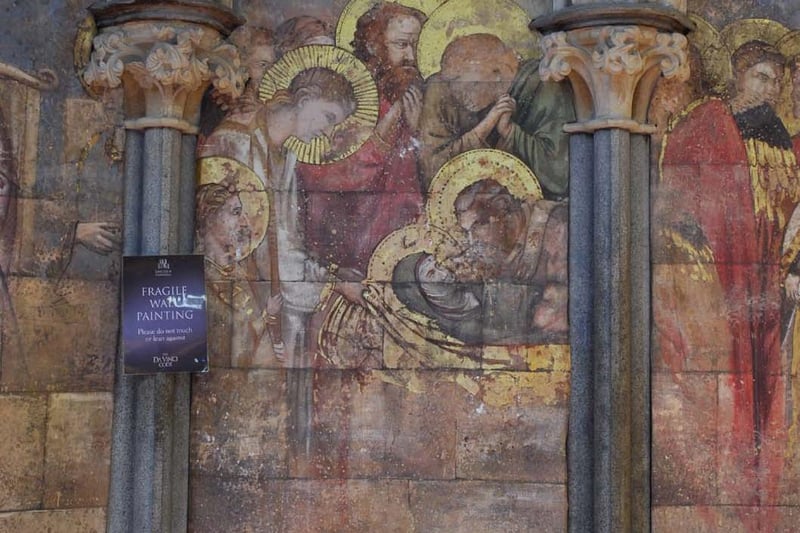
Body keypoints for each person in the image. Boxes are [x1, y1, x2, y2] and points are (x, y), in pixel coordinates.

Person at [659, 39, 800, 506]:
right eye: (761, 77)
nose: (770, 88)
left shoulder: (780, 135)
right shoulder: (707, 122)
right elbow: (676, 191)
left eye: (776, 81)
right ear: (739, 75)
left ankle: (758, 481)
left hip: (769, 275)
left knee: (767, 378)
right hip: (719, 272)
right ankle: (724, 481)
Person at [296, 2, 426, 273]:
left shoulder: (417, 100)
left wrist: (418, 134)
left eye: (416, 46)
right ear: (374, 48)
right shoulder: (349, 100)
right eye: (401, 45)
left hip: (400, 252)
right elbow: (323, 174)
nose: (411, 57)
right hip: (347, 256)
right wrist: (390, 123)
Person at [419, 33, 574, 198]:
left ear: (498, 74)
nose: (462, 96)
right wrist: (486, 126)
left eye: (473, 86)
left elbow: (559, 173)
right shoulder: (441, 88)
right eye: (456, 88)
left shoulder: (541, 83)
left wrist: (510, 132)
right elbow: (433, 172)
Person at [195, 179, 283, 366]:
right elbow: (229, 340)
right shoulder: (200, 277)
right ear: (210, 217)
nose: (244, 222)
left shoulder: (239, 273)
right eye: (236, 213)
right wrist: (267, 317)